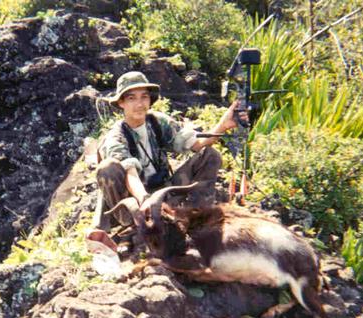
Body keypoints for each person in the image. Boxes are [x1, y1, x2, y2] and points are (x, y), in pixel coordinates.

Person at [87, 71, 247, 249]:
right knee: (108, 167)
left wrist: (223, 125)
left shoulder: (158, 122)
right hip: (134, 202)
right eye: (132, 98)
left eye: (144, 97)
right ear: (121, 103)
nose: (139, 104)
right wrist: (145, 200)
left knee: (209, 155)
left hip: (164, 192)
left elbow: (197, 144)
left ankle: (197, 219)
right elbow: (130, 173)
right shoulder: (115, 137)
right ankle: (135, 227)